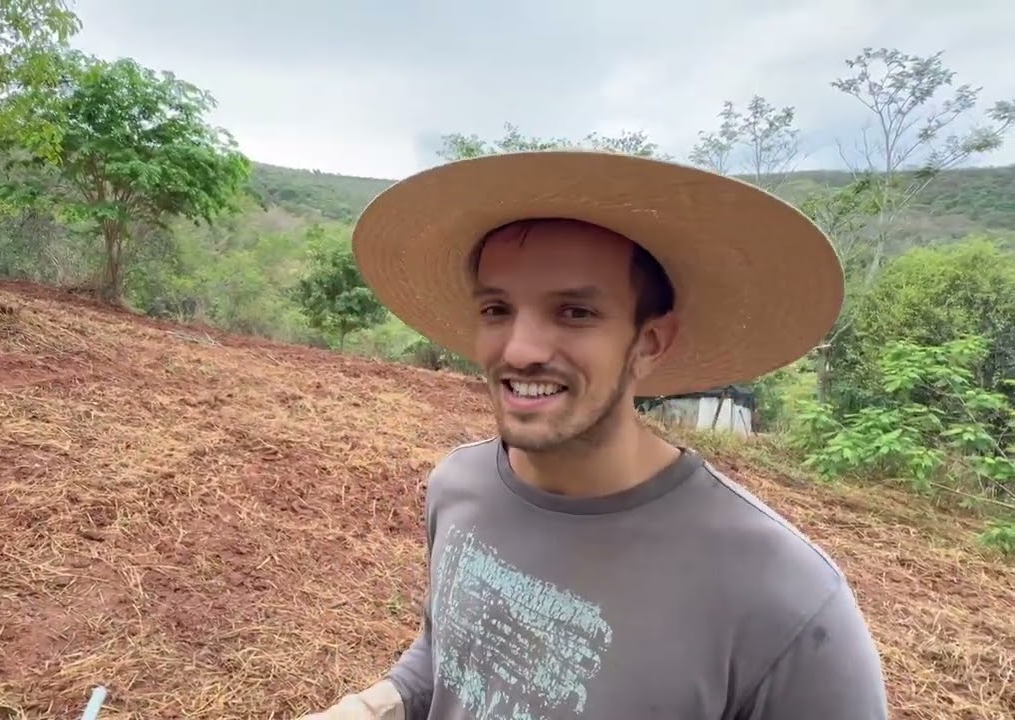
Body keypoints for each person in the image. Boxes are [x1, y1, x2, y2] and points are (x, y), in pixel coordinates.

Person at [298, 150, 888, 720]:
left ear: (650, 342)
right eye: (497, 310)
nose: (520, 350)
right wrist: (372, 708)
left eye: (575, 313)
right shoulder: (459, 485)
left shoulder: (787, 602)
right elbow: (449, 662)